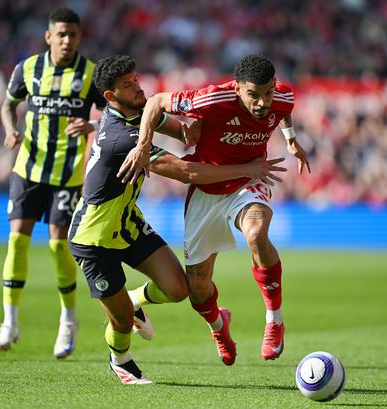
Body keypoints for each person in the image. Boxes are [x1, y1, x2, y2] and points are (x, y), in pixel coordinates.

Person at [68, 54, 287, 384]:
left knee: (179, 288)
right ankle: (121, 361)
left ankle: (134, 300)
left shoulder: (138, 113)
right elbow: (187, 172)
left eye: (135, 79)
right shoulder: (121, 140)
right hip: (93, 237)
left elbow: (186, 135)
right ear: (111, 97)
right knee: (123, 323)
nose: (137, 87)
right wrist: (247, 168)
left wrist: (196, 129)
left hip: (127, 224)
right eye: (127, 85)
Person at [119, 54, 310, 365]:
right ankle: (219, 328)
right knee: (197, 287)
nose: (262, 103)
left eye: (267, 93)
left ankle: (274, 319)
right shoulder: (212, 98)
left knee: (257, 231)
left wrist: (291, 141)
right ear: (237, 89)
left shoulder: (284, 96)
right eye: (253, 94)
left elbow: (284, 112)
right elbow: (154, 103)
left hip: (248, 179)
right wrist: (143, 145)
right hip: (206, 189)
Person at [0, 8, 107, 358]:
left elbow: (113, 116)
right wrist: (11, 129)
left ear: (79, 36)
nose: (67, 40)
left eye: (72, 34)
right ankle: (10, 322)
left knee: (59, 246)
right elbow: (7, 105)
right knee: (17, 242)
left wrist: (92, 126)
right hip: (28, 168)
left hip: (68, 173)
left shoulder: (90, 74)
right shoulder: (27, 69)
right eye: (61, 34)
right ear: (48, 37)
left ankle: (68, 321)